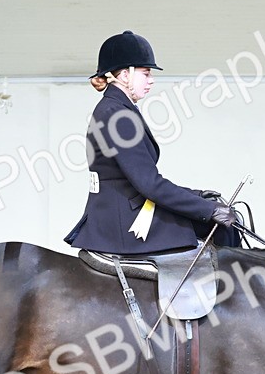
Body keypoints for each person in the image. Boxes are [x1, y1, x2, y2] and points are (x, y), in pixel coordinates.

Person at [64, 30, 239, 255]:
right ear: (125, 75)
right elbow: (149, 184)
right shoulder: (117, 115)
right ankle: (224, 289)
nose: (151, 80)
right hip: (124, 221)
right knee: (222, 228)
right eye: (146, 73)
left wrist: (198, 195)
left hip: (124, 208)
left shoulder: (116, 108)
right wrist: (208, 209)